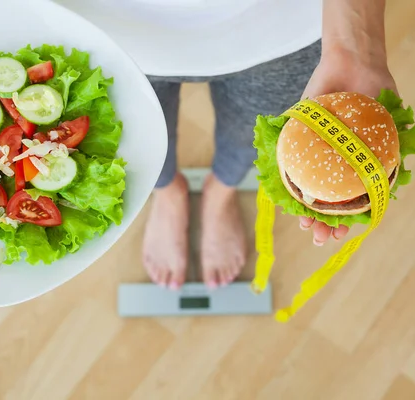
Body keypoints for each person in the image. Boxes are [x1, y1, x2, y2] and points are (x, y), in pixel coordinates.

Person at [140, 0, 397, 290]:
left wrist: (355, 47)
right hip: (111, 28)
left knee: (250, 135)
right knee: (141, 137)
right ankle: (168, 194)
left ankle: (220, 193)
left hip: (281, 25)